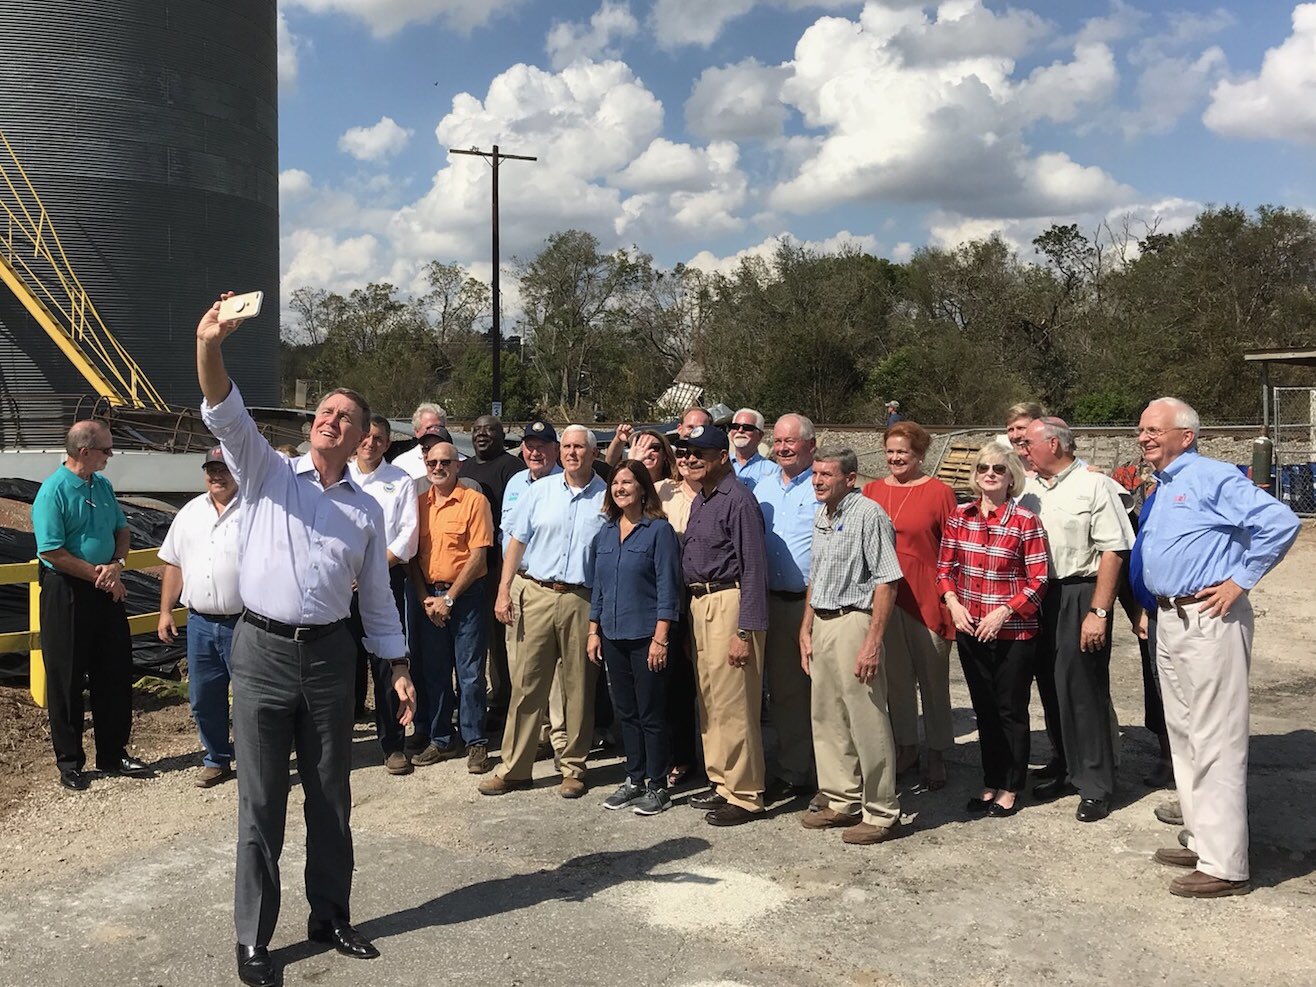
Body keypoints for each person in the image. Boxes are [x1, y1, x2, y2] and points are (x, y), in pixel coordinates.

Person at [195, 296, 416, 987]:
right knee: (261, 802)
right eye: (325, 410)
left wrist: (397, 665)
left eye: (345, 416)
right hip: (261, 651)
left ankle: (330, 916)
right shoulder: (264, 470)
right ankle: (253, 939)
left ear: (362, 438)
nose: (331, 418)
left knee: (330, 796)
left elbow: (376, 601)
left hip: (329, 657)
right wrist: (210, 344)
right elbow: (223, 407)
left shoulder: (366, 510)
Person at [1135, 397, 1298, 898]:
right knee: (1185, 734)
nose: (1144, 438)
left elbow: (1280, 522)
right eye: (1141, 430)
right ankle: (1202, 838)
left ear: (1186, 435)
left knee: (1217, 738)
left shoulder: (1212, 476)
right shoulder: (1165, 484)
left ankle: (1226, 865)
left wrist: (1240, 581)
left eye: (1154, 429)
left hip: (1209, 618)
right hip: (1171, 617)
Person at [481, 425, 607, 798]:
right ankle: (515, 768)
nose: (572, 453)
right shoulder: (539, 491)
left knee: (577, 688)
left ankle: (572, 768)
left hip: (581, 598)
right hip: (536, 593)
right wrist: (503, 590)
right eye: (566, 446)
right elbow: (515, 542)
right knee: (526, 685)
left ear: (593, 453)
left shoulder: (606, 498)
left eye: (579, 447)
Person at [1019, 417, 1133, 823]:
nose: (1023, 450)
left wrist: (1098, 612)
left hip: (1079, 592)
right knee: (1051, 687)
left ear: (1053, 444)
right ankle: (1067, 768)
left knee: (1083, 689)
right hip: (1038, 594)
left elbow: (1114, 550)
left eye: (1028, 443)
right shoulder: (1029, 489)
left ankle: (1096, 785)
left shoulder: (1095, 485)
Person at [32, 420, 148, 791]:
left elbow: (122, 530)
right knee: (66, 676)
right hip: (67, 590)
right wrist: (99, 575)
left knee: (114, 670)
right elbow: (51, 549)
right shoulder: (53, 491)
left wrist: (116, 565)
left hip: (105, 587)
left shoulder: (103, 486)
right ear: (84, 452)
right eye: (106, 450)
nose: (110, 456)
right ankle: (70, 762)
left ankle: (113, 753)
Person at [799, 448, 905, 844]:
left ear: (850, 479)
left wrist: (873, 641)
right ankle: (841, 799)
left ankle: (881, 811)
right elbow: (817, 575)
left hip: (855, 621)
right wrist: (806, 627)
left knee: (867, 718)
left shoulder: (869, 515)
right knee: (826, 716)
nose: (818, 481)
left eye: (826, 475)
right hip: (823, 621)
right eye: (815, 474)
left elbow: (887, 580)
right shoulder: (822, 515)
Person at [936, 445, 1049, 818]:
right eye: (983, 467)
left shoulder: (1026, 522)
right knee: (984, 709)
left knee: (1010, 710)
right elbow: (945, 569)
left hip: (1013, 632)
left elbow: (1038, 579)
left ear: (1011, 476)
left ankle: (1011, 785)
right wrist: (953, 604)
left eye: (998, 468)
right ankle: (991, 779)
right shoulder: (960, 516)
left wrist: (1004, 612)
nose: (989, 473)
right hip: (970, 628)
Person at [679, 424, 770, 827]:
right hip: (701, 604)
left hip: (729, 603)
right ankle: (722, 781)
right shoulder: (703, 499)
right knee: (711, 700)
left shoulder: (739, 501)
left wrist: (745, 631)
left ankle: (746, 794)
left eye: (700, 453)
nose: (691, 459)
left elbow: (753, 569)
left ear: (721, 457)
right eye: (687, 452)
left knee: (735, 704)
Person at [861, 421, 959, 789]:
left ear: (919, 454)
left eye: (902, 451)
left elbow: (952, 549)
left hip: (927, 598)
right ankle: (906, 747)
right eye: (890, 451)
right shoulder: (871, 491)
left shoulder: (939, 493)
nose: (895, 458)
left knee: (933, 682)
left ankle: (937, 751)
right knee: (897, 682)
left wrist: (951, 598)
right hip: (886, 600)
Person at [587, 460, 682, 815]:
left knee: (651, 712)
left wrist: (661, 638)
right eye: (616, 483)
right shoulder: (606, 533)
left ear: (643, 488)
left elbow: (668, 588)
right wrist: (593, 631)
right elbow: (599, 588)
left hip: (646, 636)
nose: (620, 488)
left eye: (628, 482)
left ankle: (658, 786)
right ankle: (634, 778)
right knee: (626, 711)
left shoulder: (659, 531)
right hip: (613, 635)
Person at [157, 446, 243, 788]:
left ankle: (256, 761)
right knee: (204, 696)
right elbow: (173, 563)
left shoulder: (254, 509)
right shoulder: (190, 512)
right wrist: (166, 611)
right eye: (211, 470)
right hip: (200, 624)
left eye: (223, 469)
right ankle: (217, 759)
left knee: (251, 698)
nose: (217, 476)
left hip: (245, 623)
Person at [408, 440, 495, 774]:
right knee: (435, 671)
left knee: (470, 672)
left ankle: (475, 742)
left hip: (466, 596)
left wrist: (449, 598)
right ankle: (442, 739)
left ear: (458, 465)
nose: (438, 468)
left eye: (445, 462)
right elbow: (412, 557)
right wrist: (424, 598)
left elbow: (478, 557)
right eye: (432, 463)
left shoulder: (474, 501)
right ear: (425, 465)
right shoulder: (418, 504)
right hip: (429, 597)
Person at [753, 413, 820, 802]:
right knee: (784, 693)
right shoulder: (763, 488)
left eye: (790, 441)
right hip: (773, 602)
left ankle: (827, 772)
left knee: (821, 693)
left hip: (811, 603)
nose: (782, 448)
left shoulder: (821, 485)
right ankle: (795, 769)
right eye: (777, 441)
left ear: (811, 445)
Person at [348, 415, 419, 768]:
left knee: (388, 663)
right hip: (340, 584)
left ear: (387, 444)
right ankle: (336, 740)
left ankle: (393, 745)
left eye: (378, 438)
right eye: (366, 436)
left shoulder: (400, 481)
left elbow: (408, 536)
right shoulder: (340, 475)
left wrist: (373, 569)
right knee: (341, 663)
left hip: (384, 580)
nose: (370, 443)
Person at [500, 419, 568, 762]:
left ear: (556, 449)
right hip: (519, 583)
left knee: (555, 672)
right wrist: (504, 588)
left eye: (542, 446)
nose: (535, 452)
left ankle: (560, 739)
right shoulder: (515, 483)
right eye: (529, 446)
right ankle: (536, 735)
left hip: (551, 586)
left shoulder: (566, 483)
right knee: (520, 665)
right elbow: (507, 537)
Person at [460, 415, 526, 719]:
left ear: (501, 435)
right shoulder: (464, 469)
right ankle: (477, 698)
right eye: (477, 430)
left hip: (501, 563)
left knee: (501, 638)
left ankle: (504, 699)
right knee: (478, 637)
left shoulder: (512, 468)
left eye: (489, 430)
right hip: (470, 565)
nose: (481, 434)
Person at [393, 402, 449, 482]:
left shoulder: (460, 461)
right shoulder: (401, 464)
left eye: (440, 427)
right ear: (417, 431)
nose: (435, 431)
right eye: (429, 428)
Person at [728, 408, 776, 490]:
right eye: (735, 426)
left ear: (760, 435)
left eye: (747, 427)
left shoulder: (773, 471)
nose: (740, 430)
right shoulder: (718, 464)